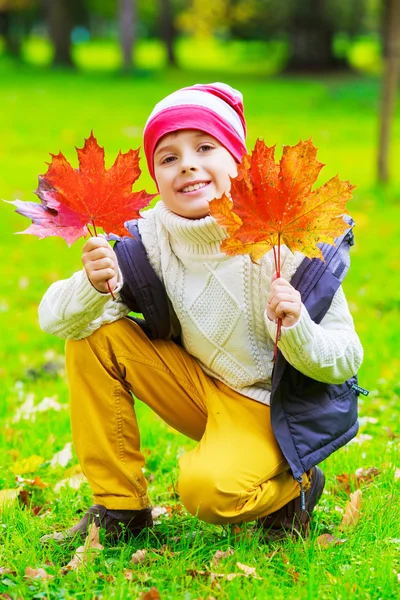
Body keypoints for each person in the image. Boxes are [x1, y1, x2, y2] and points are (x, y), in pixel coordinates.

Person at [39, 82, 363, 543]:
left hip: (271, 407)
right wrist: (90, 285)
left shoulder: (285, 241)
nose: (187, 163)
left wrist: (298, 328)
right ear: (155, 178)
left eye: (205, 147)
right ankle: (120, 509)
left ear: (237, 160)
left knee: (207, 492)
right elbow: (55, 320)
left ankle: (298, 483)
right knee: (92, 333)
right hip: (195, 386)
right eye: (168, 157)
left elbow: (347, 358)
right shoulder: (149, 241)